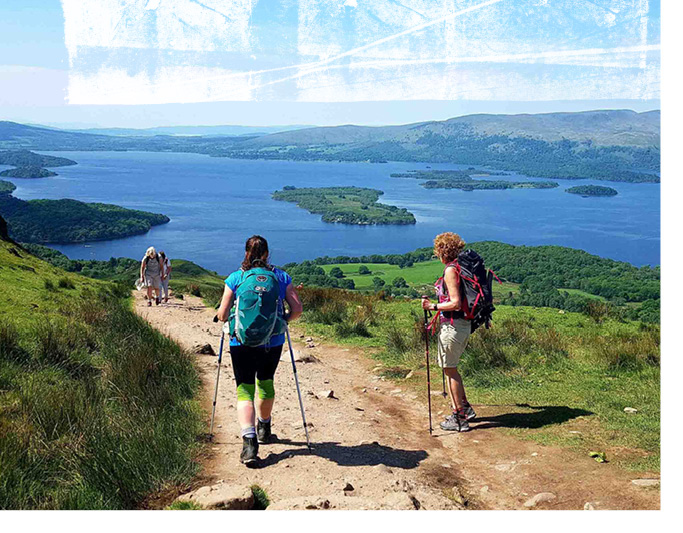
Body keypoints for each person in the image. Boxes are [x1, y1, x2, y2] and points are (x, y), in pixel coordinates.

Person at [216, 235, 303, 466]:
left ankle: (249, 442)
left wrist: (223, 318)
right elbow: (297, 309)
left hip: (241, 343)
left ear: (246, 253)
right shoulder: (281, 277)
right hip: (272, 341)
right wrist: (283, 320)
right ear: (266, 254)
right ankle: (265, 427)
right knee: (265, 381)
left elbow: (223, 314)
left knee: (244, 389)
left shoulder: (236, 278)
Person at [421, 232, 476, 432]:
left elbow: (455, 302)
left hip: (453, 327)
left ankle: (459, 417)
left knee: (449, 370)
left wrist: (432, 307)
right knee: (451, 368)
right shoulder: (461, 267)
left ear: (442, 251)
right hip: (461, 325)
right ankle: (465, 409)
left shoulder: (450, 271)